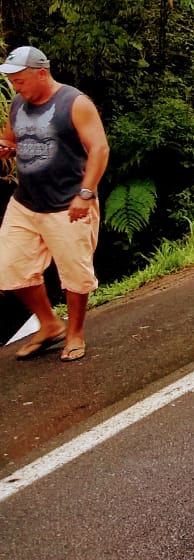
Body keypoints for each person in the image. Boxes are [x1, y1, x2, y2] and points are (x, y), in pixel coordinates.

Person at [0, 46, 109, 362]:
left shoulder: (74, 103)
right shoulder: (19, 104)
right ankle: (49, 323)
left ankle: (74, 332)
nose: (16, 88)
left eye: (20, 81)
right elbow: (11, 138)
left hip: (68, 203)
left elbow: (99, 149)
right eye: (13, 82)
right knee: (9, 268)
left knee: (74, 274)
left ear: (41, 72)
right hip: (27, 202)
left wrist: (85, 194)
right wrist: (6, 146)